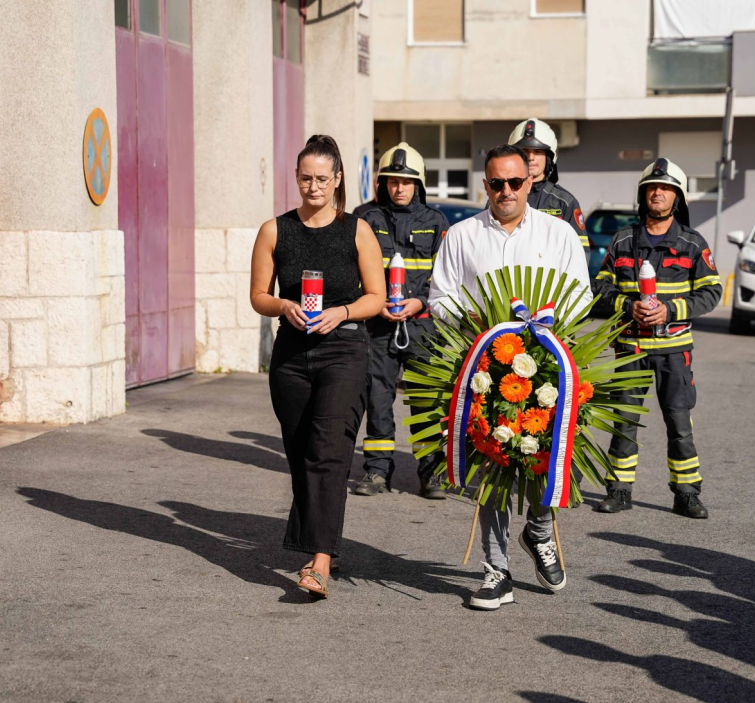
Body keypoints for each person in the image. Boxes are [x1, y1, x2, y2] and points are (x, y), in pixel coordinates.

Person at [428, 144, 592, 611]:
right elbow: (440, 297)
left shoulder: (558, 233)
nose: (506, 191)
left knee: (548, 455)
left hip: (547, 361)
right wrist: (481, 319)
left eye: (515, 182)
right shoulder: (461, 235)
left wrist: (544, 323)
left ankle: (539, 532)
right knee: (493, 462)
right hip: (483, 365)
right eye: (496, 183)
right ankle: (496, 570)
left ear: (530, 183)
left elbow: (580, 296)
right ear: (485, 185)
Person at [249, 135, 386, 599]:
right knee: (301, 453)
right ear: (296, 179)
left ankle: (320, 561)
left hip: (343, 351)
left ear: (338, 180)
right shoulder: (275, 230)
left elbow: (377, 297)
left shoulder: (357, 231)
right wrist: (283, 306)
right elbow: (258, 297)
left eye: (322, 179)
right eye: (305, 178)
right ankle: (314, 539)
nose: (313, 186)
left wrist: (342, 312)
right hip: (291, 354)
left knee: (329, 453)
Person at [592, 157, 722, 519]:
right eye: (652, 188)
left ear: (677, 197)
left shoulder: (692, 243)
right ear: (643, 194)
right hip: (630, 348)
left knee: (679, 423)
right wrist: (626, 305)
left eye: (665, 188)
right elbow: (600, 287)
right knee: (624, 422)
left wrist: (671, 310)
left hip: (674, 350)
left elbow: (712, 293)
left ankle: (686, 494)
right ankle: (618, 491)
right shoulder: (622, 240)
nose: (658, 193)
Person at [354, 143, 451, 500]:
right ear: (383, 183)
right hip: (378, 325)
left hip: (423, 325)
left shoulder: (436, 222)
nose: (399, 188)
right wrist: (373, 303)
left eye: (406, 182)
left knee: (427, 400)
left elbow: (446, 275)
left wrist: (420, 301)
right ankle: (377, 471)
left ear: (418, 184)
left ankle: (431, 474)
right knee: (378, 398)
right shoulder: (365, 218)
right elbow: (354, 271)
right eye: (393, 181)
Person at [507, 118, 589, 261]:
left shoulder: (565, 203)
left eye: (538, 151)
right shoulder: (501, 197)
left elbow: (580, 255)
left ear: (549, 157)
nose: (531, 157)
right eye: (525, 151)